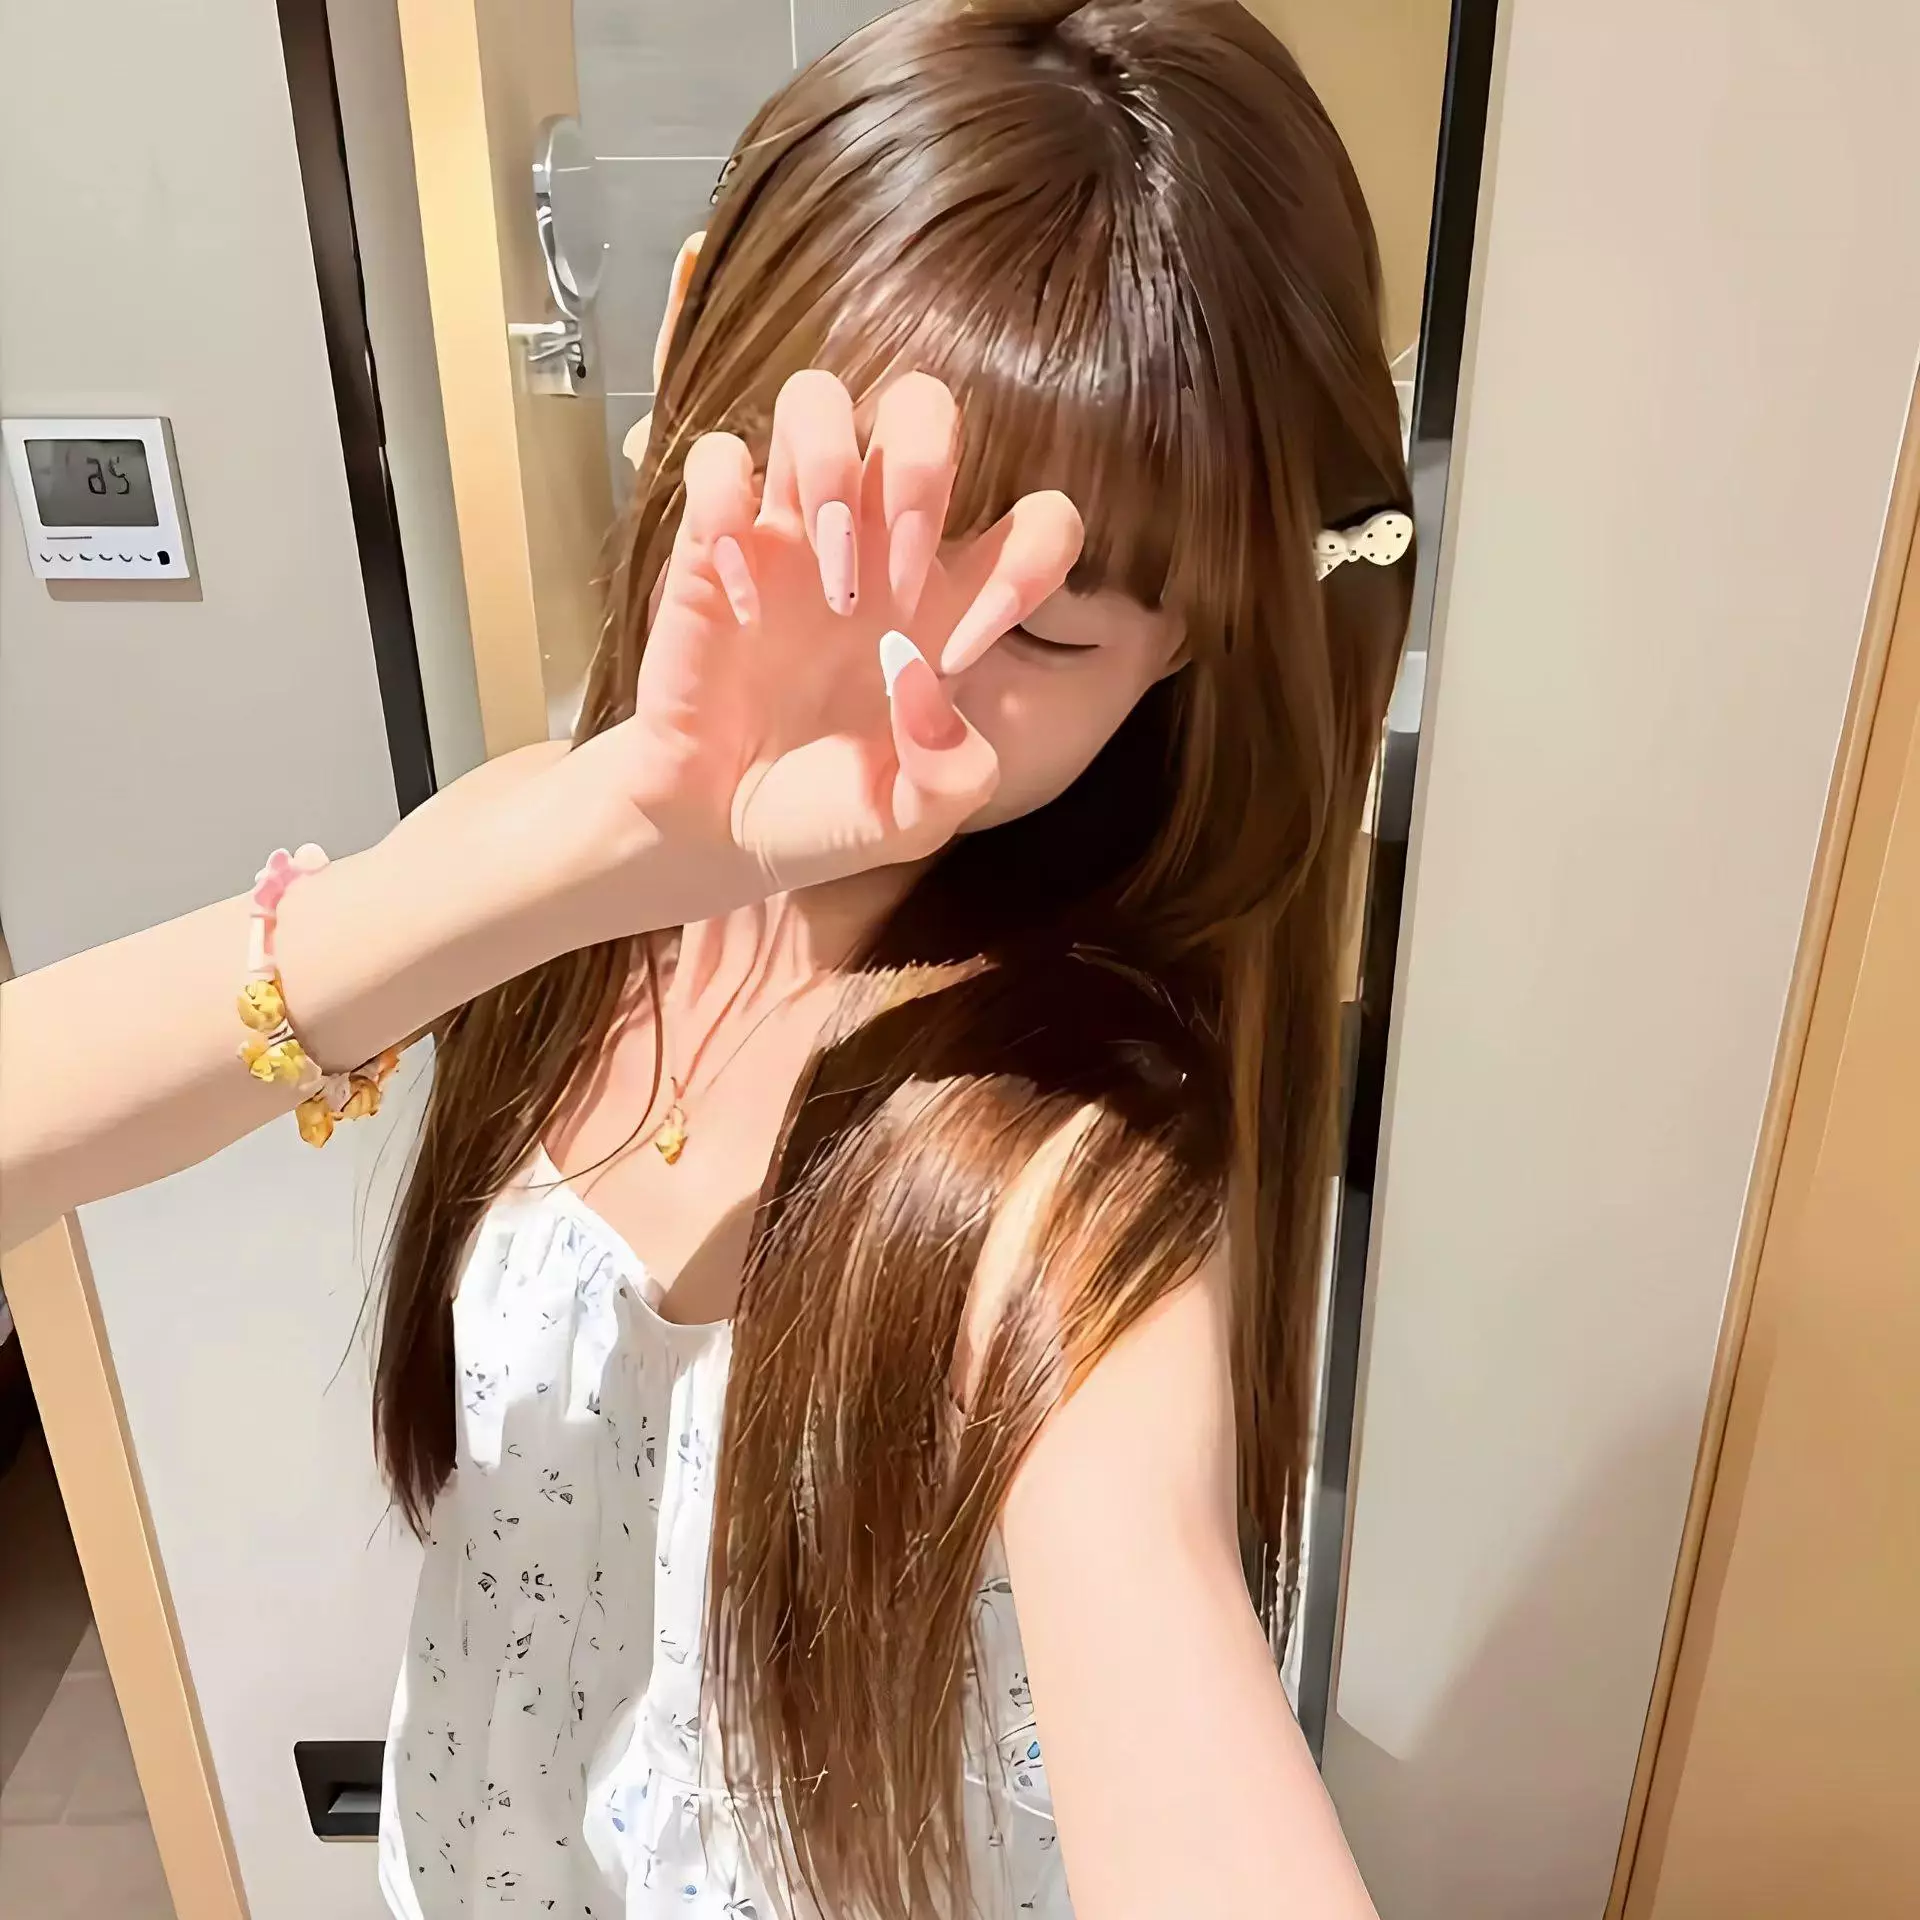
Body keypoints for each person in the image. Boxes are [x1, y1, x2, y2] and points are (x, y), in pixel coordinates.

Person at [0, 4, 1412, 1915]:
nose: (897, 673)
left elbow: (1159, 1635)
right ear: (683, 338)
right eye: (847, 529)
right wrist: (591, 848)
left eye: (1039, 629)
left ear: (1192, 643)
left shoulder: (1064, 1152)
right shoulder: (546, 861)